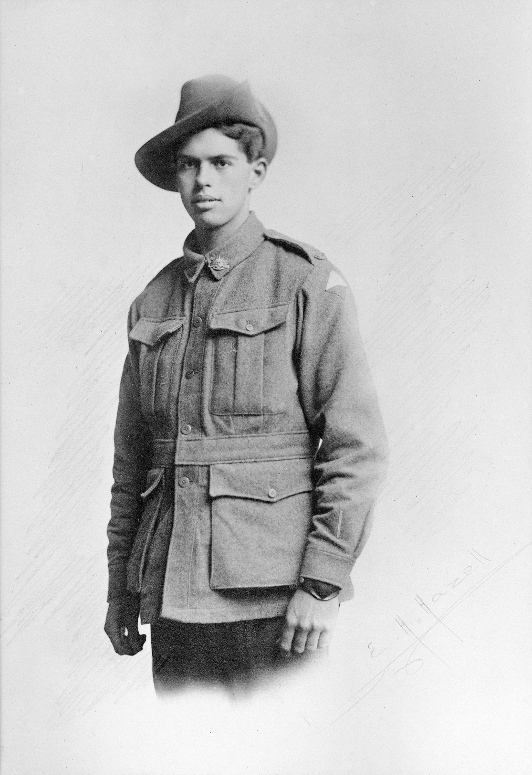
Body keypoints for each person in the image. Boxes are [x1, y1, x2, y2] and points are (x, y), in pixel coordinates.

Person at [104, 74, 388, 693]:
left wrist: (322, 580)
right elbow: (133, 462)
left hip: (276, 603)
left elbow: (355, 446)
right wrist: (120, 589)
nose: (203, 181)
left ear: (255, 170)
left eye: (221, 163)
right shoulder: (152, 301)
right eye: (188, 165)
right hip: (172, 598)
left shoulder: (304, 282)